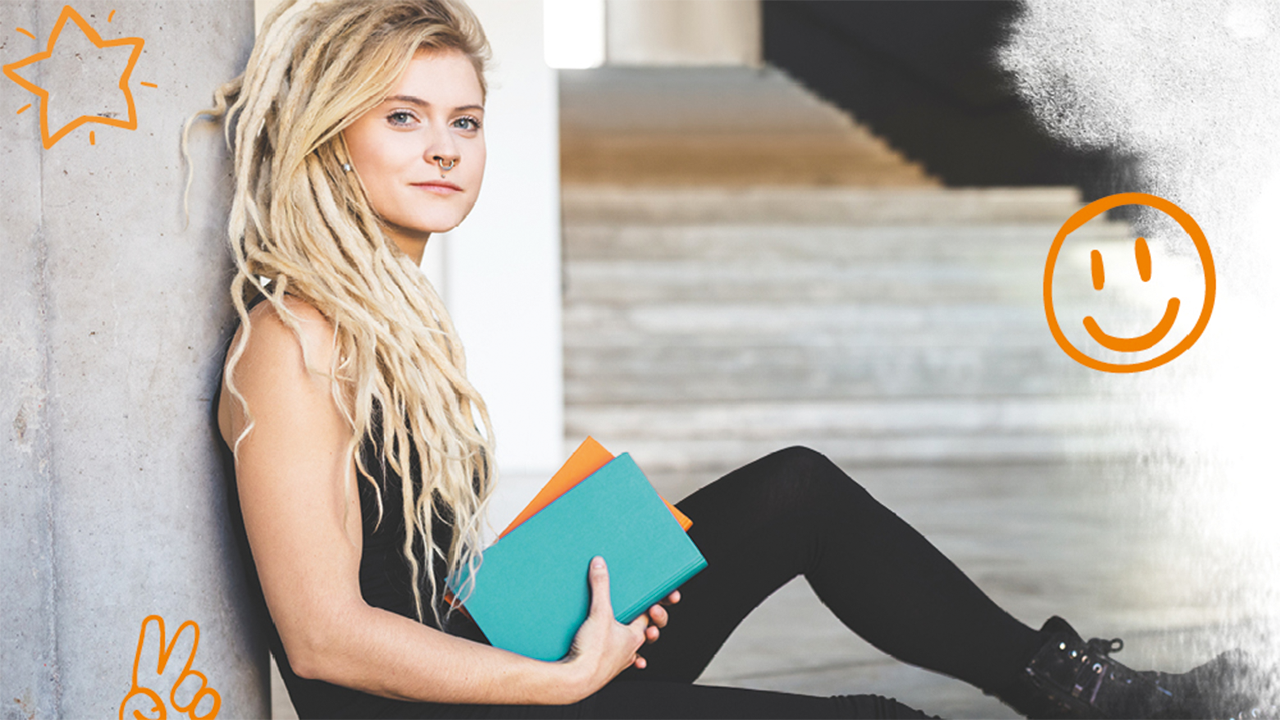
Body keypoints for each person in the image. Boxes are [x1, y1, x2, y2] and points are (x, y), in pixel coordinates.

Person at [198, 0, 1274, 718]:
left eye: (465, 121)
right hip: (450, 707)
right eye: (402, 116)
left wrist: (594, 596)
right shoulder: (295, 340)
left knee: (794, 488)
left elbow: (407, 579)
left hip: (487, 654)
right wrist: (560, 677)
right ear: (333, 135)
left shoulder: (390, 314)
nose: (443, 146)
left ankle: (1070, 689)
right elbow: (325, 637)